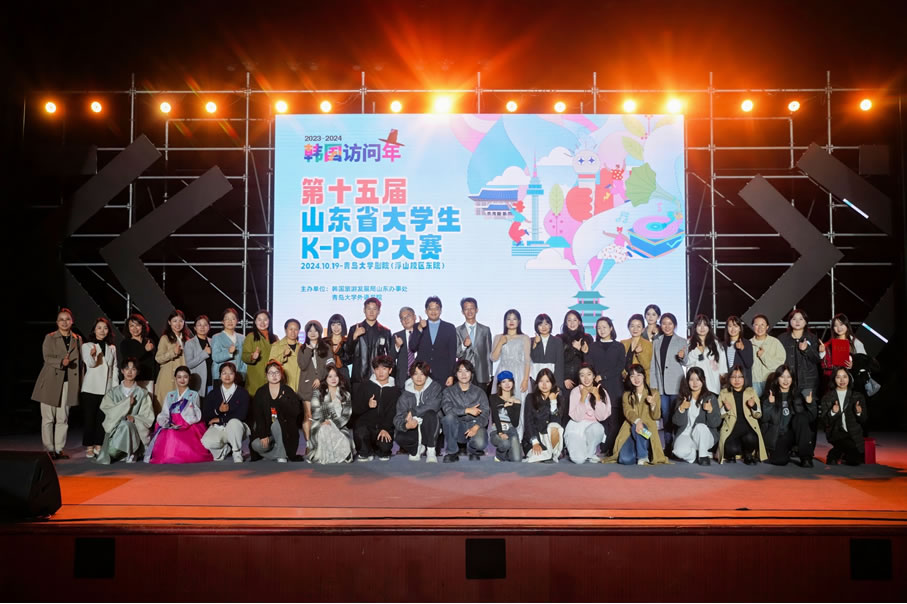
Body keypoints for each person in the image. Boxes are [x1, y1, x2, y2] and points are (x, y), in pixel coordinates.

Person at [32, 308, 82, 460]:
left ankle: (59, 449)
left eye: (67, 319)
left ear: (72, 321)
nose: (64, 322)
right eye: (61, 319)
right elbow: (46, 357)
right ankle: (49, 449)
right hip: (50, 381)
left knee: (63, 418)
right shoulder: (50, 337)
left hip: (68, 383)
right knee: (48, 418)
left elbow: (81, 362)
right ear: (57, 322)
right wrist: (61, 362)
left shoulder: (77, 339)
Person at [144, 366, 212, 464]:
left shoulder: (194, 394)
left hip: (189, 424)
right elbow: (165, 412)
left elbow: (195, 414)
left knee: (174, 435)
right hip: (171, 422)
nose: (182, 380)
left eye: (185, 377)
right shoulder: (170, 395)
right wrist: (167, 422)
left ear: (189, 378)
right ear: (175, 378)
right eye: (179, 377)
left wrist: (183, 422)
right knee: (169, 432)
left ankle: (176, 456)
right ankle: (169, 456)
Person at [95, 358, 155, 464]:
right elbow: (108, 411)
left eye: (133, 369)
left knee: (127, 425)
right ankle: (126, 452)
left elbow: (148, 417)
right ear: (122, 371)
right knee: (112, 452)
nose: (130, 372)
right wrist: (126, 404)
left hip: (135, 431)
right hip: (116, 431)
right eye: (127, 369)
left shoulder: (142, 393)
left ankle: (132, 452)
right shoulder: (113, 392)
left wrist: (134, 419)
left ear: (138, 372)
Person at [605, 364, 667, 465]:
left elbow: (656, 416)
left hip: (647, 434)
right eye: (632, 376)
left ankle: (643, 456)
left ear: (644, 376)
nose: (636, 379)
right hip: (631, 431)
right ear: (629, 379)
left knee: (639, 427)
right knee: (625, 459)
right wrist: (638, 421)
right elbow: (628, 412)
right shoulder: (626, 395)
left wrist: (653, 404)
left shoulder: (653, 392)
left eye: (639, 375)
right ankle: (639, 451)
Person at [760, 364, 817, 467]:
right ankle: (788, 450)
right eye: (782, 377)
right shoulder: (770, 396)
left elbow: (811, 418)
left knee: (801, 418)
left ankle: (806, 457)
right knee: (780, 461)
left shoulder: (798, 396)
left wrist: (810, 404)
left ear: (792, 379)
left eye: (789, 377)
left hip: (794, 433)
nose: (785, 380)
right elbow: (764, 419)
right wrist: (769, 404)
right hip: (778, 435)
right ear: (777, 379)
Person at [80, 317, 118, 458]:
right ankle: (89, 446)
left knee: (102, 419)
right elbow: (90, 364)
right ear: (94, 330)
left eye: (105, 328)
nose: (102, 331)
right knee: (89, 418)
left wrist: (114, 388)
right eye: (99, 328)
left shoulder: (112, 348)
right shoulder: (87, 346)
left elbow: (114, 368)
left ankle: (98, 444)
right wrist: (93, 356)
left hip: (106, 389)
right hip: (91, 388)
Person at [250, 361, 302, 463]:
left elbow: (296, 412)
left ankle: (282, 455)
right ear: (266, 375)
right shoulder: (261, 392)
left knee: (277, 424)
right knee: (256, 445)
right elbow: (258, 416)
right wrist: (263, 435)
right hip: (267, 430)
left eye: (277, 372)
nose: (274, 375)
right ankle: (279, 452)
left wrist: (284, 401)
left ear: (281, 374)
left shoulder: (287, 391)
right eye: (271, 373)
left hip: (285, 430)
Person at [648, 312, 686, 452]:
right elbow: (653, 364)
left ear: (674, 325)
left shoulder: (681, 341)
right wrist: (654, 386)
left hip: (676, 385)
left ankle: (678, 444)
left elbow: (686, 362)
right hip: (661, 386)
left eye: (670, 323)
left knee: (676, 416)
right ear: (660, 325)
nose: (667, 326)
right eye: (664, 323)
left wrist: (682, 357)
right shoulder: (656, 341)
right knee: (665, 416)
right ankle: (668, 446)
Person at [587, 316, 624, 452]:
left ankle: (612, 449)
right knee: (601, 419)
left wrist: (603, 376)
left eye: (604, 327)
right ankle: (602, 448)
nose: (602, 330)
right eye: (599, 328)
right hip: (599, 388)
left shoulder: (619, 346)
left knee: (614, 421)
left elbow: (620, 366)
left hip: (615, 387)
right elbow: (589, 365)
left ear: (611, 328)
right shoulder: (593, 346)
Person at [441, 359, 490, 462]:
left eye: (467, 371)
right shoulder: (448, 392)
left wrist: (476, 427)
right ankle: (452, 452)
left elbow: (485, 413)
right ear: (456, 374)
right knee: (448, 418)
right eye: (460, 371)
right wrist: (466, 410)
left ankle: (472, 450)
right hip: (457, 426)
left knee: (480, 443)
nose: (463, 374)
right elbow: (447, 410)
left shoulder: (479, 392)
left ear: (471, 374)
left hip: (474, 425)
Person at [201, 362, 251, 463]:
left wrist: (220, 419)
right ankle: (224, 450)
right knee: (206, 441)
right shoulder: (213, 393)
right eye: (224, 373)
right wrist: (218, 411)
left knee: (233, 422)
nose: (227, 376)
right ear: (219, 375)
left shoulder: (242, 393)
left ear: (235, 375)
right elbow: (206, 415)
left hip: (238, 428)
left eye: (231, 373)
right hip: (220, 428)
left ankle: (237, 452)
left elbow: (242, 415)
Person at [393, 361, 442, 463]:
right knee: (399, 437)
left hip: (430, 426)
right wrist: (406, 425)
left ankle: (431, 450)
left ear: (427, 375)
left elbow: (434, 405)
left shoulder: (435, 387)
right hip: (414, 427)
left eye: (422, 374)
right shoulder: (405, 394)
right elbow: (398, 418)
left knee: (430, 414)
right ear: (411, 375)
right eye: (415, 374)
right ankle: (417, 448)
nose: (419, 377)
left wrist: (413, 412)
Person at [351, 355, 398, 461]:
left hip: (383, 428)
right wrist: (367, 405)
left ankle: (376, 449)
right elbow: (354, 409)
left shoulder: (395, 391)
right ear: (374, 370)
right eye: (377, 369)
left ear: (390, 370)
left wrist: (385, 428)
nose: (380, 372)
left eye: (384, 368)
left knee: (384, 450)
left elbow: (393, 412)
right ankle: (366, 450)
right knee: (361, 437)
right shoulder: (365, 385)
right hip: (366, 427)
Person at [671, 366, 722, 465]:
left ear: (703, 380)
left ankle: (703, 456)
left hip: (704, 436)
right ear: (687, 381)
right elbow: (677, 422)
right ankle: (695, 455)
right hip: (686, 433)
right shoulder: (683, 398)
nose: (695, 383)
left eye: (698, 379)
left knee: (700, 427)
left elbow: (715, 424)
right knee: (678, 451)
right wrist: (681, 409)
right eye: (691, 380)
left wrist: (710, 411)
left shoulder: (711, 397)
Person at [717, 365, 767, 464]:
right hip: (731, 430)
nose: (737, 380)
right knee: (731, 449)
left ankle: (748, 454)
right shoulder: (724, 393)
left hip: (748, 430)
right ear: (729, 378)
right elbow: (718, 416)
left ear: (744, 378)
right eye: (733, 377)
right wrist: (725, 409)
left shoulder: (751, 391)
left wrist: (753, 406)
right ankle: (736, 452)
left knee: (751, 438)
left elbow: (758, 415)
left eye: (740, 377)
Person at [820, 367, 868, 465]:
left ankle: (839, 452)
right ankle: (834, 454)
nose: (842, 380)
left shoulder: (857, 396)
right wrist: (833, 412)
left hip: (853, 433)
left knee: (855, 461)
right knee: (850, 449)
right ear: (834, 379)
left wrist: (859, 412)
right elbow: (824, 421)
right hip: (836, 432)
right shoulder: (827, 397)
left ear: (849, 378)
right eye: (838, 377)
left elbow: (864, 419)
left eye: (845, 377)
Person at [307, 365, 355, 464]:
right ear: (325, 378)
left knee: (345, 444)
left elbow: (346, 416)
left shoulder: (345, 394)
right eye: (330, 376)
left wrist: (332, 423)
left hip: (339, 426)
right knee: (325, 429)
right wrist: (325, 422)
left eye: (335, 376)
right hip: (320, 425)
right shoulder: (318, 393)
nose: (333, 379)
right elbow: (316, 413)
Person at [564, 364, 611, 464]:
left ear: (594, 376)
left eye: (589, 374)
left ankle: (591, 451)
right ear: (579, 377)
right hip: (576, 428)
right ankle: (579, 448)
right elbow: (577, 418)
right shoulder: (575, 391)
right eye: (582, 375)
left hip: (592, 428)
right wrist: (583, 398)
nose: (586, 378)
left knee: (598, 428)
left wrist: (597, 397)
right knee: (579, 460)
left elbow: (602, 417)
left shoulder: (602, 391)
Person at [298, 320, 333, 447]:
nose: (312, 333)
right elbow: (302, 365)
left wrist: (320, 378)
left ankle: (320, 443)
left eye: (315, 330)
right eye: (310, 331)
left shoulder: (326, 347)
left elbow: (331, 365)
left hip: (322, 386)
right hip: (307, 386)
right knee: (308, 415)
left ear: (320, 332)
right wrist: (308, 351)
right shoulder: (302, 348)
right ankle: (309, 444)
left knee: (322, 416)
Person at [777, 308, 825, 401]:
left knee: (809, 405)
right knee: (789, 405)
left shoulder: (812, 338)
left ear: (806, 322)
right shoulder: (782, 338)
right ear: (790, 321)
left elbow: (816, 359)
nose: (797, 322)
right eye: (794, 319)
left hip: (808, 381)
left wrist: (806, 349)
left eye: (801, 319)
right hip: (788, 380)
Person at [521, 368, 568, 463]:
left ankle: (551, 453)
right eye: (541, 381)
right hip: (535, 436)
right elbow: (528, 422)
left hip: (550, 437)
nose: (544, 384)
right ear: (537, 383)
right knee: (539, 455)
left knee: (554, 426)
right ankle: (549, 455)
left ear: (552, 383)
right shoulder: (530, 398)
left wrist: (553, 402)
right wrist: (535, 442)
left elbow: (557, 424)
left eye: (547, 381)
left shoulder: (560, 399)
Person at [409, 296, 458, 386]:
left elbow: (452, 354)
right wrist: (420, 329)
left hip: (442, 374)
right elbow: (412, 347)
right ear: (426, 311)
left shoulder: (449, 328)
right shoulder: (417, 326)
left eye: (436, 308)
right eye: (430, 309)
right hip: (422, 374)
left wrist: (451, 375)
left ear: (441, 310)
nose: (433, 311)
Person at [346, 297, 392, 389]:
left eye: (374, 309)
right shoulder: (354, 329)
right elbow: (348, 352)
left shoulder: (385, 332)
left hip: (378, 378)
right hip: (358, 378)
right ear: (364, 310)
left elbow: (390, 357)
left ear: (379, 311)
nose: (371, 312)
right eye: (368, 309)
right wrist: (354, 337)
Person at [491, 309, 532, 407]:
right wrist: (501, 342)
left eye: (514, 319)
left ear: (519, 321)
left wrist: (525, 380)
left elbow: (527, 360)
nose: (511, 321)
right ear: (505, 321)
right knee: (502, 402)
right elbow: (493, 358)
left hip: (519, 373)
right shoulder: (498, 337)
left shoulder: (524, 338)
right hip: (503, 371)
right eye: (508, 319)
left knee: (519, 401)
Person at [679, 314, 727, 395]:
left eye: (705, 325)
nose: (702, 328)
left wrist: (723, 379)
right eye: (699, 325)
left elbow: (722, 365)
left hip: (713, 385)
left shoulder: (716, 344)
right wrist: (697, 351)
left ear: (709, 327)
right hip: (695, 385)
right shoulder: (689, 343)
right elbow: (686, 363)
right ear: (695, 327)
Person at [155, 310, 192, 413]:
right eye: (175, 321)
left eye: (180, 321)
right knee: (165, 406)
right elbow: (158, 358)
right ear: (169, 322)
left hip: (183, 377)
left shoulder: (187, 339)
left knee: (181, 407)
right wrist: (173, 352)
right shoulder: (165, 338)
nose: (178, 324)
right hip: (168, 376)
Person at [456, 297, 493, 392]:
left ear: (477, 310)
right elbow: (456, 353)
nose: (469, 311)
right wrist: (464, 345)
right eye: (466, 309)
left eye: (472, 308)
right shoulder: (457, 330)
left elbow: (489, 353)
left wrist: (489, 374)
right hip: (464, 373)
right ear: (462, 311)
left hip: (482, 373)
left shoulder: (485, 330)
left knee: (481, 398)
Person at [242, 309, 278, 397]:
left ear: (269, 321)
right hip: (256, 377)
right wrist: (252, 356)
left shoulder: (275, 338)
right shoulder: (251, 337)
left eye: (265, 319)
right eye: (259, 319)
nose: (262, 322)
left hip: (272, 375)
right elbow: (244, 356)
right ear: (255, 322)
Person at [118, 313, 156, 394]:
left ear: (143, 326)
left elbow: (154, 362)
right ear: (128, 328)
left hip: (149, 379)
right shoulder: (125, 343)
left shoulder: (149, 341)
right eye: (132, 326)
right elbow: (129, 360)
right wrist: (145, 350)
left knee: (148, 401)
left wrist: (155, 379)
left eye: (138, 325)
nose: (135, 328)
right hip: (132, 380)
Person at [489, 370, 523, 462]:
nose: (507, 384)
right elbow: (495, 417)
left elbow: (515, 424)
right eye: (504, 382)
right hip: (497, 429)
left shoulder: (516, 401)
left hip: (511, 430)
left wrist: (509, 407)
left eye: (509, 381)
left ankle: (507, 454)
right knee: (505, 444)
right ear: (499, 385)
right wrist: (500, 432)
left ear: (513, 383)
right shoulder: (493, 398)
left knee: (516, 459)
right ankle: (500, 455)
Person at [750, 314, 786, 398]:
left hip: (771, 381)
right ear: (752, 327)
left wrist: (763, 356)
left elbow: (779, 364)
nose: (759, 328)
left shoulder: (775, 342)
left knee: (770, 404)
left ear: (767, 327)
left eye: (762, 324)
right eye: (756, 324)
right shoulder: (748, 343)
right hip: (754, 382)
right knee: (754, 405)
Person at [821, 313, 866, 380]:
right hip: (835, 379)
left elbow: (864, 361)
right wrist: (821, 351)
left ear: (847, 324)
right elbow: (823, 362)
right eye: (835, 326)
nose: (839, 328)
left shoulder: (855, 342)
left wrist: (854, 365)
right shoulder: (829, 344)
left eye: (841, 324)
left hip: (852, 379)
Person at [211, 307, 247, 388]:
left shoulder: (242, 338)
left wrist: (243, 374)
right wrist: (229, 353)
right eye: (227, 319)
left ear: (237, 321)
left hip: (238, 377)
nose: (230, 321)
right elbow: (215, 357)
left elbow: (244, 360)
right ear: (222, 321)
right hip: (221, 377)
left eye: (233, 319)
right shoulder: (217, 337)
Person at [530, 313, 566, 391]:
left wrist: (558, 384)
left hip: (552, 378)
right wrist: (535, 344)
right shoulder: (531, 341)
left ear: (550, 325)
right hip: (535, 378)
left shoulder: (557, 341)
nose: (544, 327)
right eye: (540, 325)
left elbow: (559, 364)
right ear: (536, 327)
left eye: (546, 324)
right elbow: (533, 359)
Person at [560, 310, 593, 390]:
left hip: (583, 380)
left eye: (575, 320)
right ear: (565, 323)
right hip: (566, 380)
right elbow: (558, 361)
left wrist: (580, 350)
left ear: (579, 322)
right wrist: (564, 378)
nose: (572, 323)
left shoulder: (587, 338)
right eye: (569, 320)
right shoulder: (560, 338)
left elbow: (590, 361)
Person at [269, 318, 303, 391]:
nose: (293, 332)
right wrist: (283, 355)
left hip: (300, 386)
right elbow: (271, 365)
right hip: (284, 384)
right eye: (290, 329)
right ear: (285, 330)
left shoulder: (302, 347)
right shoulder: (276, 345)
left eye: (296, 329)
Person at [183, 314, 213, 394]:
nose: (202, 327)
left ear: (209, 327)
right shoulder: (190, 343)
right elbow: (189, 364)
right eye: (199, 325)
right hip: (198, 382)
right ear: (195, 328)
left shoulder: (213, 341)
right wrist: (204, 353)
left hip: (212, 381)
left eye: (205, 325)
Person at [621, 314, 653, 383]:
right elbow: (619, 363)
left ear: (643, 329)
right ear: (628, 328)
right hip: (625, 381)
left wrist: (639, 354)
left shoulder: (648, 344)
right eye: (632, 326)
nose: (635, 329)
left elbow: (647, 366)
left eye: (638, 326)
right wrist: (624, 374)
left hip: (640, 382)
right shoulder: (623, 343)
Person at [724, 315, 754, 386]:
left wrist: (742, 349)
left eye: (735, 326)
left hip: (742, 382)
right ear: (727, 328)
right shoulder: (723, 345)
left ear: (740, 328)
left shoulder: (747, 343)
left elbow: (749, 364)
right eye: (730, 326)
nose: (733, 329)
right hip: (728, 382)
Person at [393, 306, 418, 387]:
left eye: (408, 316)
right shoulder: (396, 336)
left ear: (415, 317)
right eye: (402, 318)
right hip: (403, 378)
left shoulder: (424, 334)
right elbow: (391, 358)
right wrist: (397, 346)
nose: (406, 320)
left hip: (421, 376)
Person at [326, 313, 351, 382]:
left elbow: (350, 359)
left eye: (339, 324)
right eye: (333, 325)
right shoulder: (324, 342)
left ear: (343, 325)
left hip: (343, 374)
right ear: (330, 326)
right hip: (327, 374)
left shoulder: (347, 342)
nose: (336, 328)